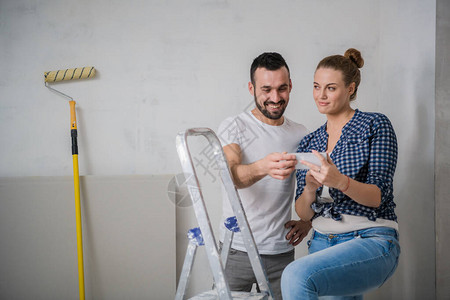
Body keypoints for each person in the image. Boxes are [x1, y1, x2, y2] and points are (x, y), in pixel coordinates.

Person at [280, 48, 400, 300]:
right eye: (316, 86)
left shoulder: (374, 124)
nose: (320, 95)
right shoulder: (310, 141)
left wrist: (340, 182)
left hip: (370, 238)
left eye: (330, 88)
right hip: (322, 240)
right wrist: (311, 189)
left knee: (296, 275)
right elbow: (305, 212)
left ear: (351, 89)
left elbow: (377, 197)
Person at [217, 52, 311, 299]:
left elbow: (313, 187)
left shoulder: (300, 133)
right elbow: (231, 176)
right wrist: (264, 167)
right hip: (236, 250)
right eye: (266, 89)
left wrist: (307, 222)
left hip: (281, 252)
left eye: (282, 89)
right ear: (252, 88)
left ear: (290, 86)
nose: (275, 98)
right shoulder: (234, 126)